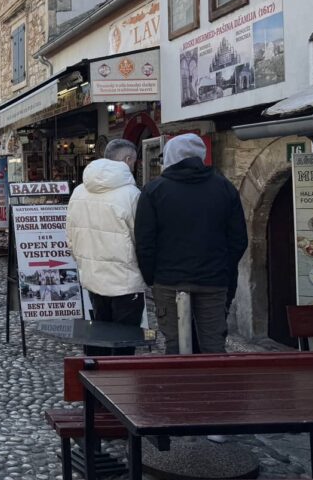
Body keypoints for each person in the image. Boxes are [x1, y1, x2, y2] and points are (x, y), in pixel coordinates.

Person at [135, 133, 248, 354]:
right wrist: (223, 268)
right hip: (213, 280)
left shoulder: (154, 191)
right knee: (213, 344)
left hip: (169, 279)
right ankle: (214, 388)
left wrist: (152, 276)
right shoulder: (224, 188)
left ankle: (180, 387)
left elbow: (145, 242)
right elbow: (238, 239)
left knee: (176, 346)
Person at [66, 139, 146, 356]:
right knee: (124, 340)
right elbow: (141, 239)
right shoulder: (132, 195)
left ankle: (92, 381)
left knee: (98, 333)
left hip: (93, 277)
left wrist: (84, 263)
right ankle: (119, 386)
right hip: (125, 281)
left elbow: (71, 237)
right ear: (128, 160)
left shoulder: (79, 191)